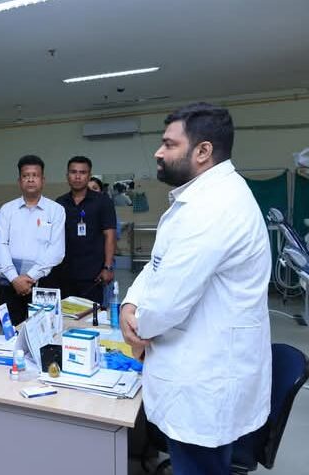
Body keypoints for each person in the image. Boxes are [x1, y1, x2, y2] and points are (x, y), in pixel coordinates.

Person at [120, 103, 272, 475]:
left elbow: (167, 302)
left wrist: (137, 327)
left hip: (203, 381)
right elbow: (158, 266)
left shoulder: (214, 207)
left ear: (203, 151)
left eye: (169, 144)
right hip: (199, 372)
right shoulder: (201, 199)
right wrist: (130, 303)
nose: (158, 153)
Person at [0, 155, 65, 325]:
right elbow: (0, 245)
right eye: (26, 176)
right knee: (10, 332)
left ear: (43, 180)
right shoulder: (7, 210)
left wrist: (30, 277)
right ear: (19, 181)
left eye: (35, 175)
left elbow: (56, 251)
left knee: (45, 331)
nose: (31, 179)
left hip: (43, 283)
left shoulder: (56, 210)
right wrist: (15, 278)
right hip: (10, 282)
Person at [49, 156, 116, 304]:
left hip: (93, 274)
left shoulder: (103, 202)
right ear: (67, 176)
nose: (78, 177)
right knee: (64, 313)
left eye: (82, 172)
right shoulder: (59, 203)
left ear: (89, 175)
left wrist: (108, 267)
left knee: (90, 314)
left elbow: (109, 235)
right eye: (73, 172)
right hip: (64, 272)